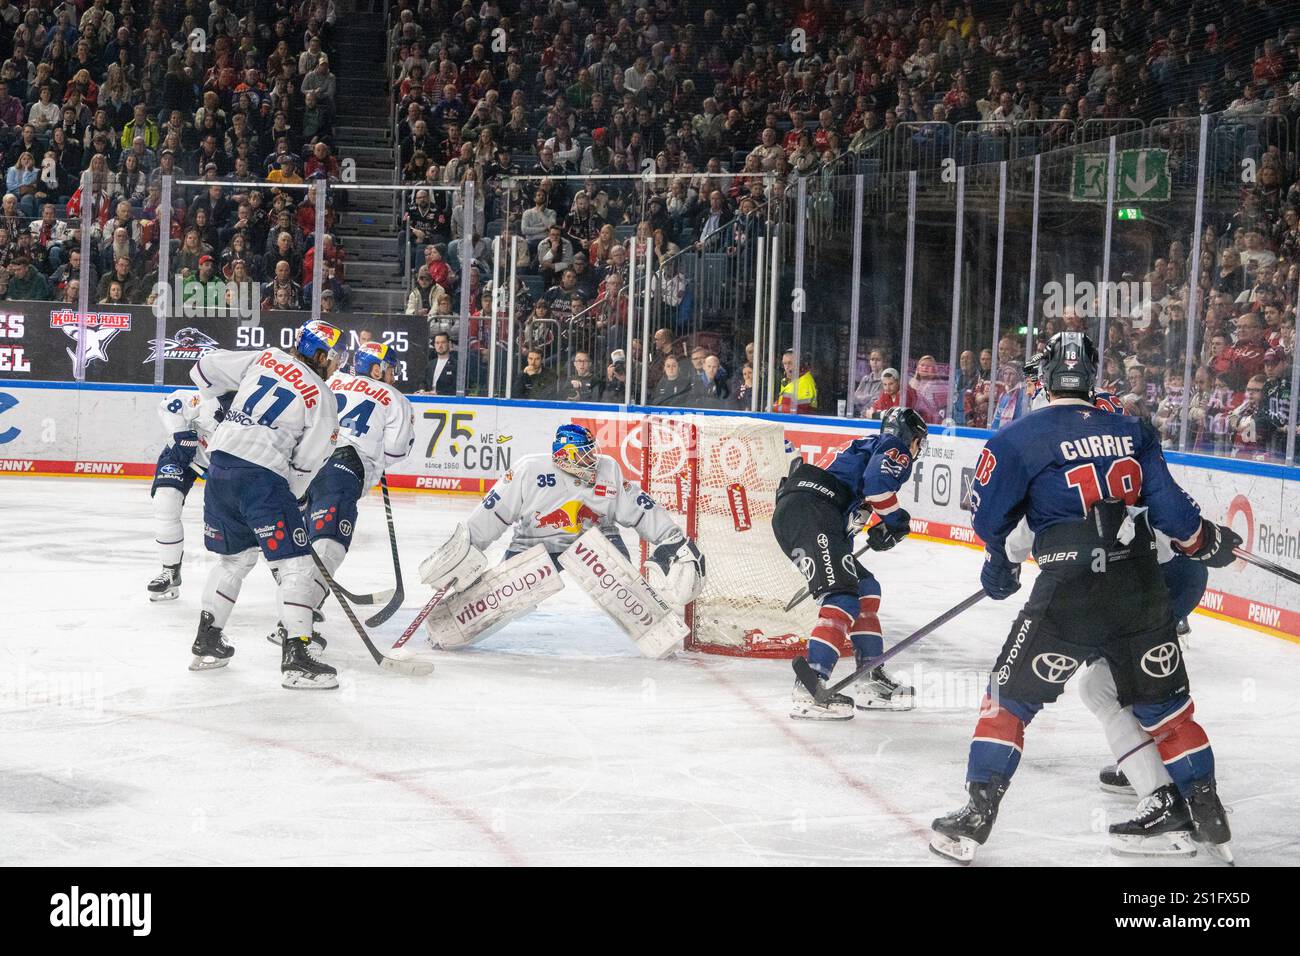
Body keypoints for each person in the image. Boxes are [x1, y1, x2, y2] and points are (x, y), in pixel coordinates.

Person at [931, 332, 1238, 864]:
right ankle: (1208, 821)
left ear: (1045, 377)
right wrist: (1205, 540)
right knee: (1168, 711)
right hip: (1140, 590)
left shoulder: (1017, 437)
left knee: (1008, 700)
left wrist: (999, 568)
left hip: (1069, 594)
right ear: (1091, 376)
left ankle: (975, 819)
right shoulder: (1132, 430)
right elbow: (1172, 513)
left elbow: (989, 520)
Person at [415, 424, 705, 652]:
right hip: (534, 543)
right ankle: (446, 628)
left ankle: (659, 633)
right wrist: (468, 547)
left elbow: (641, 509)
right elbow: (494, 512)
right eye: (584, 455)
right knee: (500, 599)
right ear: (564, 455)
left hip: (597, 539)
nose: (592, 459)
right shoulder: (529, 470)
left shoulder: (608, 470)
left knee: (623, 584)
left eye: (592, 452)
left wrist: (671, 539)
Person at [186, 319, 344, 689]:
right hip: (262, 478)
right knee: (295, 565)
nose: (336, 364)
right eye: (333, 356)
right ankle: (297, 658)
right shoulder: (322, 395)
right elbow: (305, 462)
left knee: (235, 559)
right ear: (318, 354)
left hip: (220, 467)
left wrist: (231, 403)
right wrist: (293, 496)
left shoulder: (265, 357)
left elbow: (202, 370)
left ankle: (207, 643)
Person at [772, 407, 929, 719]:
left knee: (865, 589)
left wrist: (876, 527)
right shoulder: (894, 446)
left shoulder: (868, 446)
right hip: (811, 512)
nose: (916, 449)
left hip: (809, 512)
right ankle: (811, 686)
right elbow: (877, 485)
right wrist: (897, 521)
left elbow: (853, 501)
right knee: (842, 595)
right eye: (918, 441)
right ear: (911, 437)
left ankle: (870, 677)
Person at [268, 342, 416, 647]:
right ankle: (293, 624)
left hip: (305, 458)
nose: (392, 375)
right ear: (377, 369)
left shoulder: (333, 380)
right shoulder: (395, 399)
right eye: (389, 369)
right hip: (344, 465)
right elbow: (396, 449)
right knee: (329, 545)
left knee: (304, 541)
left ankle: (299, 603)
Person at [145, 389, 231, 601]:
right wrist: (180, 432)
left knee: (255, 518)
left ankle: (283, 573)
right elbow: (170, 405)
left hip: (226, 468)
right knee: (166, 501)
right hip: (183, 457)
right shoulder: (203, 399)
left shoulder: (259, 414)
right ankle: (170, 571)